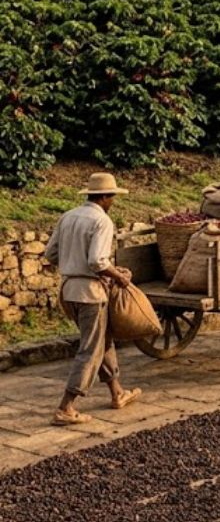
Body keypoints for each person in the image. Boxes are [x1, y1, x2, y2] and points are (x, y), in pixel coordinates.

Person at [46, 172, 142, 425]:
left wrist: (72, 264)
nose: (113, 202)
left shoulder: (68, 216)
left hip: (69, 291)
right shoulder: (101, 221)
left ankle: (117, 392)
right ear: (104, 197)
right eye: (112, 197)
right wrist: (118, 276)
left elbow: (51, 254)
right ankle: (66, 406)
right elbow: (97, 261)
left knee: (102, 340)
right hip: (90, 293)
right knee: (90, 349)